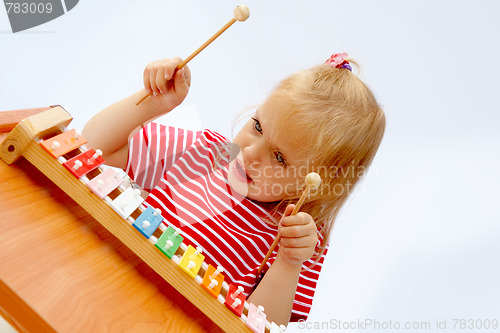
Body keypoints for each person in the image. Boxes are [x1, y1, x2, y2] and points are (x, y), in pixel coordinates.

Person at [82, 53, 385, 325]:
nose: (252, 152)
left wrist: (289, 263)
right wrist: (152, 103)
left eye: (279, 158)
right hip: (103, 287)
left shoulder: (297, 238)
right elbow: (95, 146)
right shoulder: (205, 153)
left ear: (320, 186)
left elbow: (262, 325)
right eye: (257, 127)